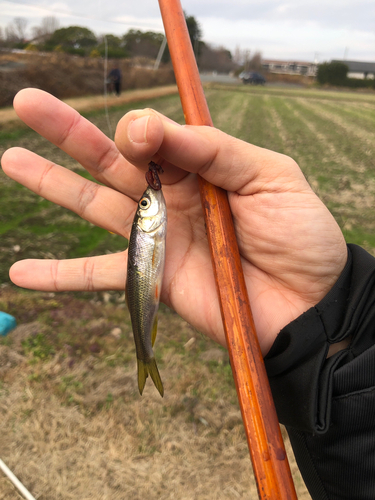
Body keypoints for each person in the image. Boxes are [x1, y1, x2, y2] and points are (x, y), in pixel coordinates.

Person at [1, 88, 375, 499]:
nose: (150, 205)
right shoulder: (152, 222)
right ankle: (147, 356)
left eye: (146, 204)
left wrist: (329, 312)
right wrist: (333, 319)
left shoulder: (156, 217)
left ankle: (148, 357)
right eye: (146, 205)